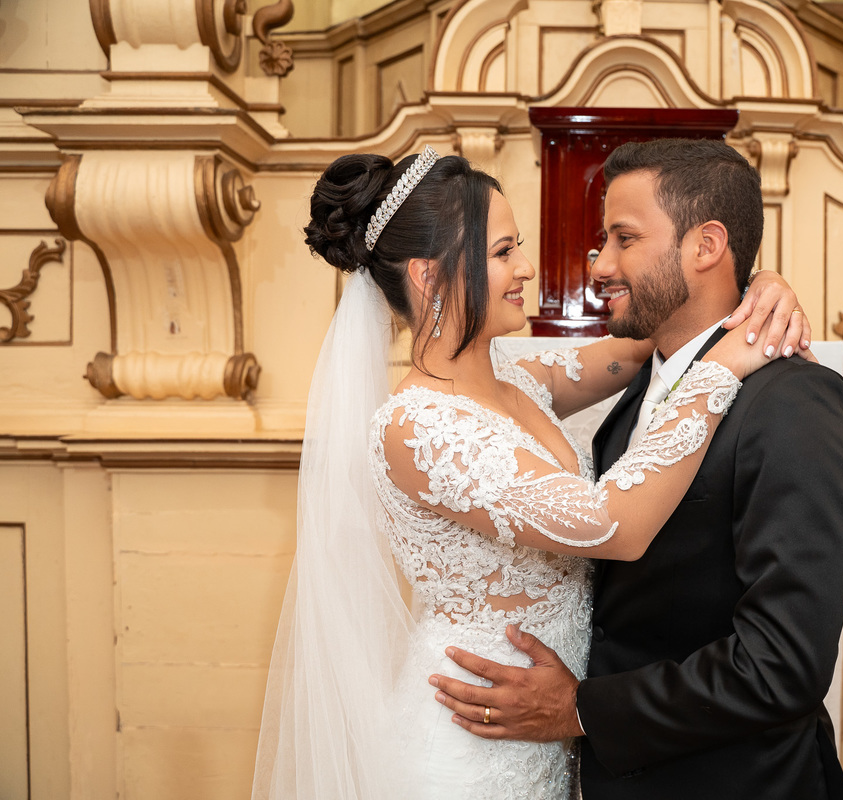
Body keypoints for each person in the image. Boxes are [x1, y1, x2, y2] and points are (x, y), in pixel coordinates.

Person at [250, 144, 814, 800]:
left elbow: (649, 336)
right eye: (501, 253)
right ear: (429, 276)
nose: (526, 267)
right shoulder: (418, 427)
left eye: (516, 246)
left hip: (548, 733)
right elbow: (611, 525)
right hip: (469, 745)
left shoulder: (517, 376)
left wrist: (756, 286)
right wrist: (725, 367)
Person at [431, 139, 843, 800]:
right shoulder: (643, 378)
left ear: (706, 245)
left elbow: (784, 664)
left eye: (624, 238)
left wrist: (582, 710)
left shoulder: (792, 404)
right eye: (603, 240)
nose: (600, 264)